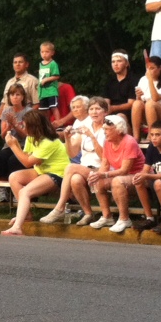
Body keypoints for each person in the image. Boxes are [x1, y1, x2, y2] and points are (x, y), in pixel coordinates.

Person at [1, 109, 70, 236]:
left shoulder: (49, 142)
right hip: (42, 171)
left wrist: (13, 146)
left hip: (58, 174)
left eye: (24, 124)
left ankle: (17, 227)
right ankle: (25, 214)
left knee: (25, 191)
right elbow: (26, 157)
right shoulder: (31, 137)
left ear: (33, 126)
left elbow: (27, 162)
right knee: (14, 177)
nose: (22, 127)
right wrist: (16, 144)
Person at [40, 96, 107, 226]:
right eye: (92, 109)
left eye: (97, 109)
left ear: (105, 112)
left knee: (71, 168)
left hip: (102, 169)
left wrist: (91, 137)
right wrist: (67, 138)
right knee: (75, 179)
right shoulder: (85, 126)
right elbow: (72, 153)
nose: (94, 112)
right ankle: (88, 214)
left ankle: (60, 207)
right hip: (86, 168)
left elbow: (105, 156)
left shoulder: (107, 128)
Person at [87, 114, 144, 231]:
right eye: (104, 129)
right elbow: (105, 164)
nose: (104, 132)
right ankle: (106, 216)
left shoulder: (129, 142)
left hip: (139, 176)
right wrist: (98, 176)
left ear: (118, 130)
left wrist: (103, 174)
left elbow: (125, 170)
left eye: (107, 129)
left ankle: (124, 219)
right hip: (124, 175)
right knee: (98, 181)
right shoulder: (108, 142)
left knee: (117, 181)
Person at [130, 54, 161, 139]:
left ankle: (151, 135)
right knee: (136, 103)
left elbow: (155, 98)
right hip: (148, 114)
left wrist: (150, 80)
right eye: (148, 68)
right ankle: (136, 137)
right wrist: (138, 96)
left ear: (160, 68)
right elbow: (140, 103)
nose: (149, 71)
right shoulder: (143, 79)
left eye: (152, 68)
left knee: (150, 103)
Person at [0, 54, 39, 124]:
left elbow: (37, 103)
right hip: (7, 119)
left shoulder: (32, 81)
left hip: (24, 120)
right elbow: (4, 101)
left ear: (26, 64)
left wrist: (26, 118)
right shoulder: (9, 82)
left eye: (20, 62)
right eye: (15, 62)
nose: (17, 64)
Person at [104, 51, 137, 119]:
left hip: (128, 113)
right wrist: (106, 108)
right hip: (110, 111)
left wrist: (113, 108)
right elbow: (106, 100)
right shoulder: (109, 81)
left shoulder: (133, 80)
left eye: (119, 61)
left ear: (126, 63)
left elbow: (131, 104)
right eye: (113, 62)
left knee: (119, 117)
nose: (115, 64)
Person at [36, 42, 60, 112]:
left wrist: (46, 80)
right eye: (42, 52)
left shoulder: (53, 63)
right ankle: (46, 123)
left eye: (47, 52)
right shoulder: (40, 64)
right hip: (42, 91)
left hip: (51, 90)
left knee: (53, 107)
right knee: (44, 109)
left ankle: (58, 122)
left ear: (52, 53)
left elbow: (56, 76)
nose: (44, 54)